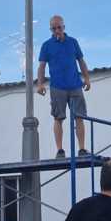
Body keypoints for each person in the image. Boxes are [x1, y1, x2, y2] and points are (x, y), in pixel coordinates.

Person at [37, 15, 91, 159]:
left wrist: (86, 78)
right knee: (58, 118)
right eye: (53, 28)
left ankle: (82, 149)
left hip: (75, 85)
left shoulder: (73, 42)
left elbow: (81, 61)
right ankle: (60, 150)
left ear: (64, 27)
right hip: (57, 87)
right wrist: (40, 83)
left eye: (59, 27)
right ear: (51, 29)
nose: (57, 30)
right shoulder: (46, 45)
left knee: (79, 116)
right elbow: (41, 66)